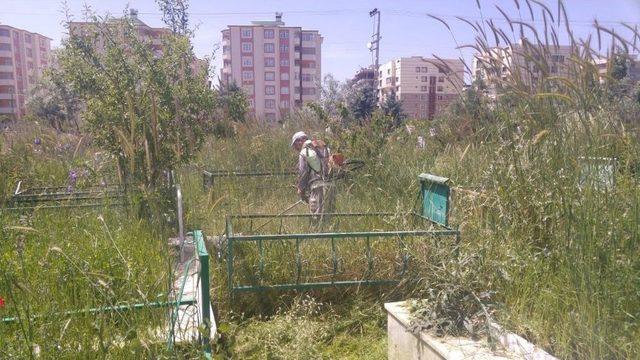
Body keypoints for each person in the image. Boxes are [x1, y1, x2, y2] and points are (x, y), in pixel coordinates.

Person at [291, 131, 336, 219]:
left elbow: (303, 172)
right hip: (331, 186)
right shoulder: (325, 148)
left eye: (295, 145)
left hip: (317, 188)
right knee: (329, 217)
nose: (295, 149)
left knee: (317, 218)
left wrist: (301, 190)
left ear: (300, 141)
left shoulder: (304, 151)